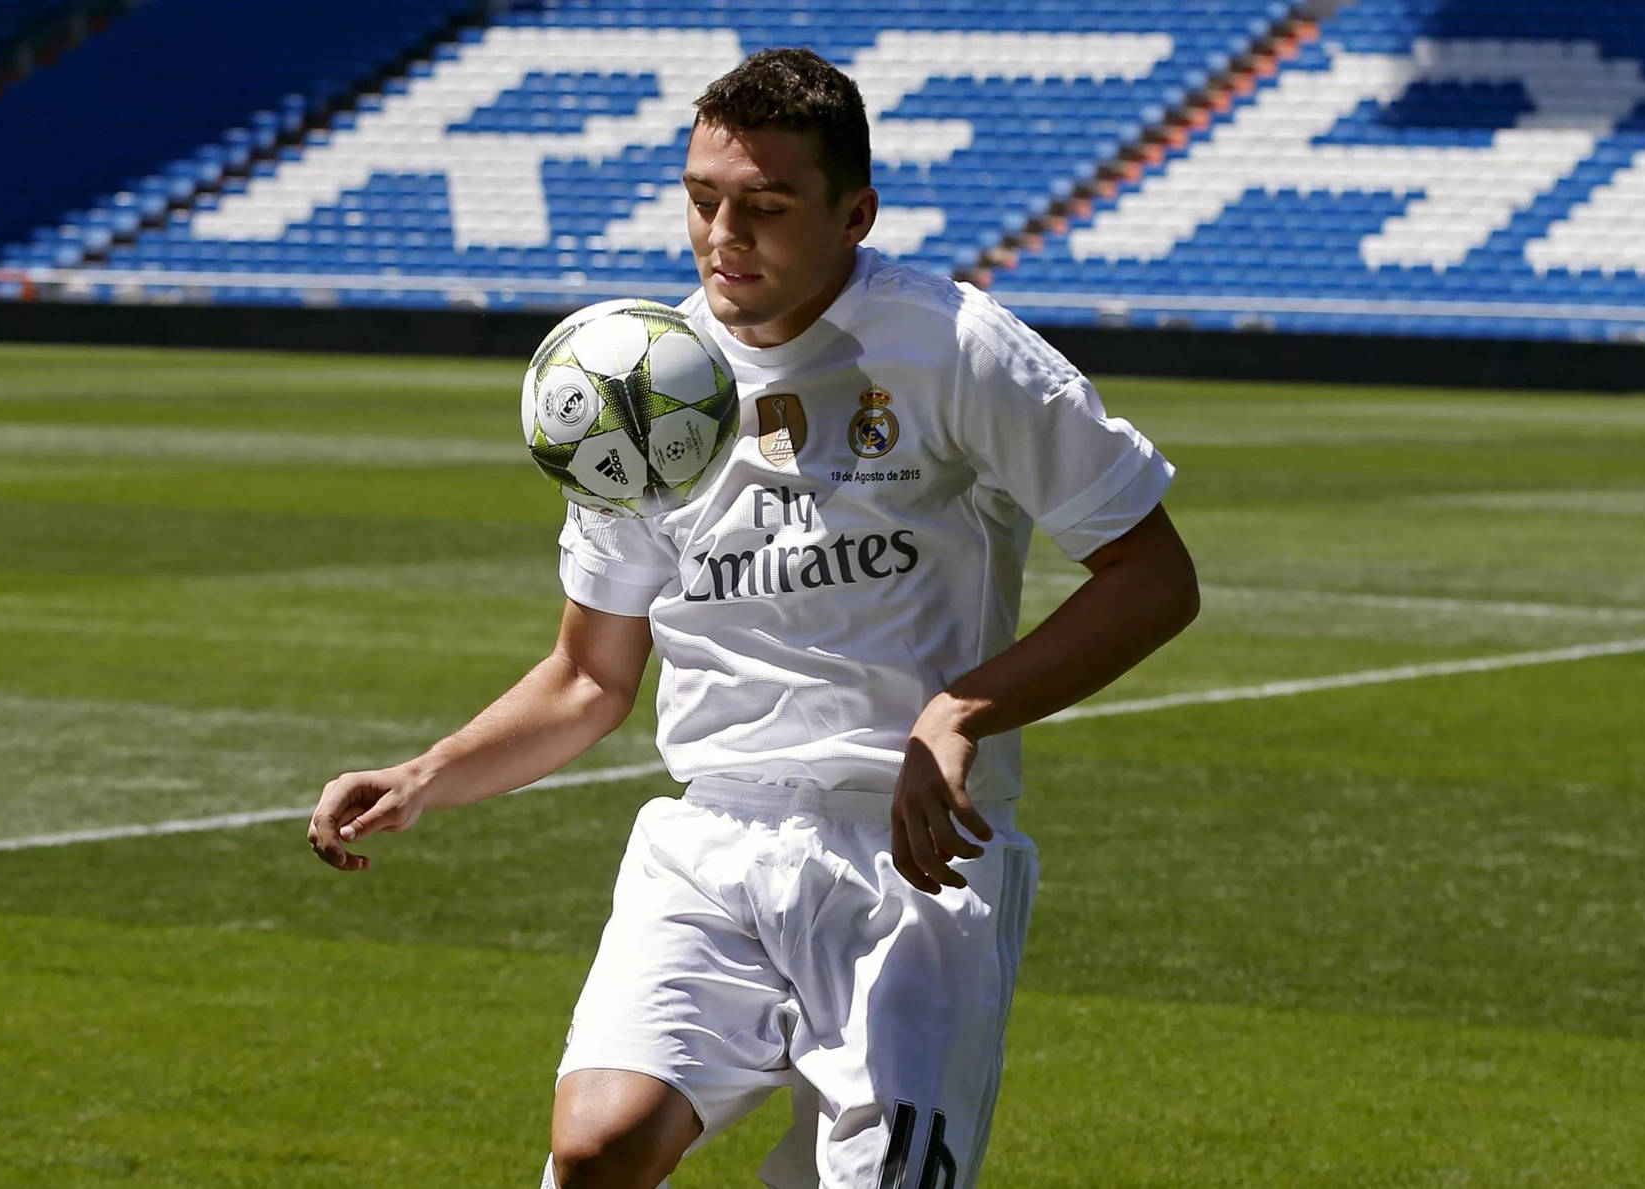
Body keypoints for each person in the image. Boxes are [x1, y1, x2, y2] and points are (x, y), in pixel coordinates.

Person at [307, 46, 1198, 1189]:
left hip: (913, 865)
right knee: (596, 1148)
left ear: (854, 213)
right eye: (703, 199)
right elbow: (589, 677)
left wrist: (961, 712)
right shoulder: (640, 381)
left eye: (766, 207)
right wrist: (427, 773)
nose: (724, 233)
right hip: (714, 835)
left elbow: (1154, 575)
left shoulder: (955, 348)